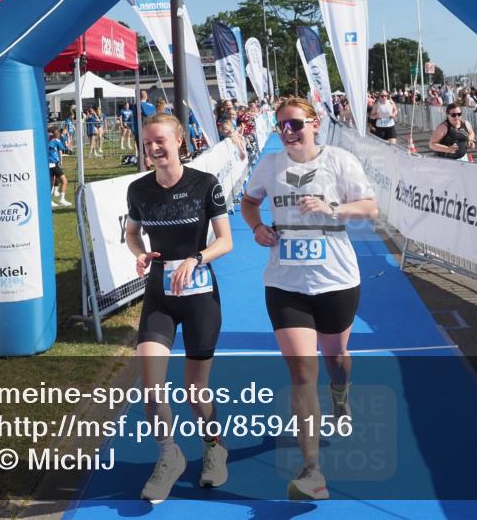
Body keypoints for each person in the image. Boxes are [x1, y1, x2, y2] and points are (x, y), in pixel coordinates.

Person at [240, 97, 377, 500]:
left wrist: (332, 206)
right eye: (281, 126)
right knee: (302, 371)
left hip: (335, 279)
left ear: (314, 124)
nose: (288, 131)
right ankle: (312, 470)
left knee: (335, 359)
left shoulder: (340, 160)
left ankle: (341, 394)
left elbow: (369, 208)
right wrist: (257, 228)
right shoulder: (269, 165)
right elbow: (249, 202)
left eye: (295, 124)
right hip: (285, 282)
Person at [125, 113, 233, 502]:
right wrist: (139, 254)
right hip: (160, 297)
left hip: (201, 297)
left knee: (193, 388)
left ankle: (213, 447)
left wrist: (197, 258)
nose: (153, 148)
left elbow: (226, 241)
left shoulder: (206, 184)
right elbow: (132, 232)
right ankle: (169, 455)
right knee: (151, 387)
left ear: (180, 142)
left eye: (160, 141)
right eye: (148, 142)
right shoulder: (138, 190)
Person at [48, 125, 71, 208]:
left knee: (51, 183)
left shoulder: (48, 140)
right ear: (56, 133)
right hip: (54, 164)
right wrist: (68, 138)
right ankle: (61, 199)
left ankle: (49, 201)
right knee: (64, 181)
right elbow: (65, 147)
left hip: (49, 164)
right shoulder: (56, 141)